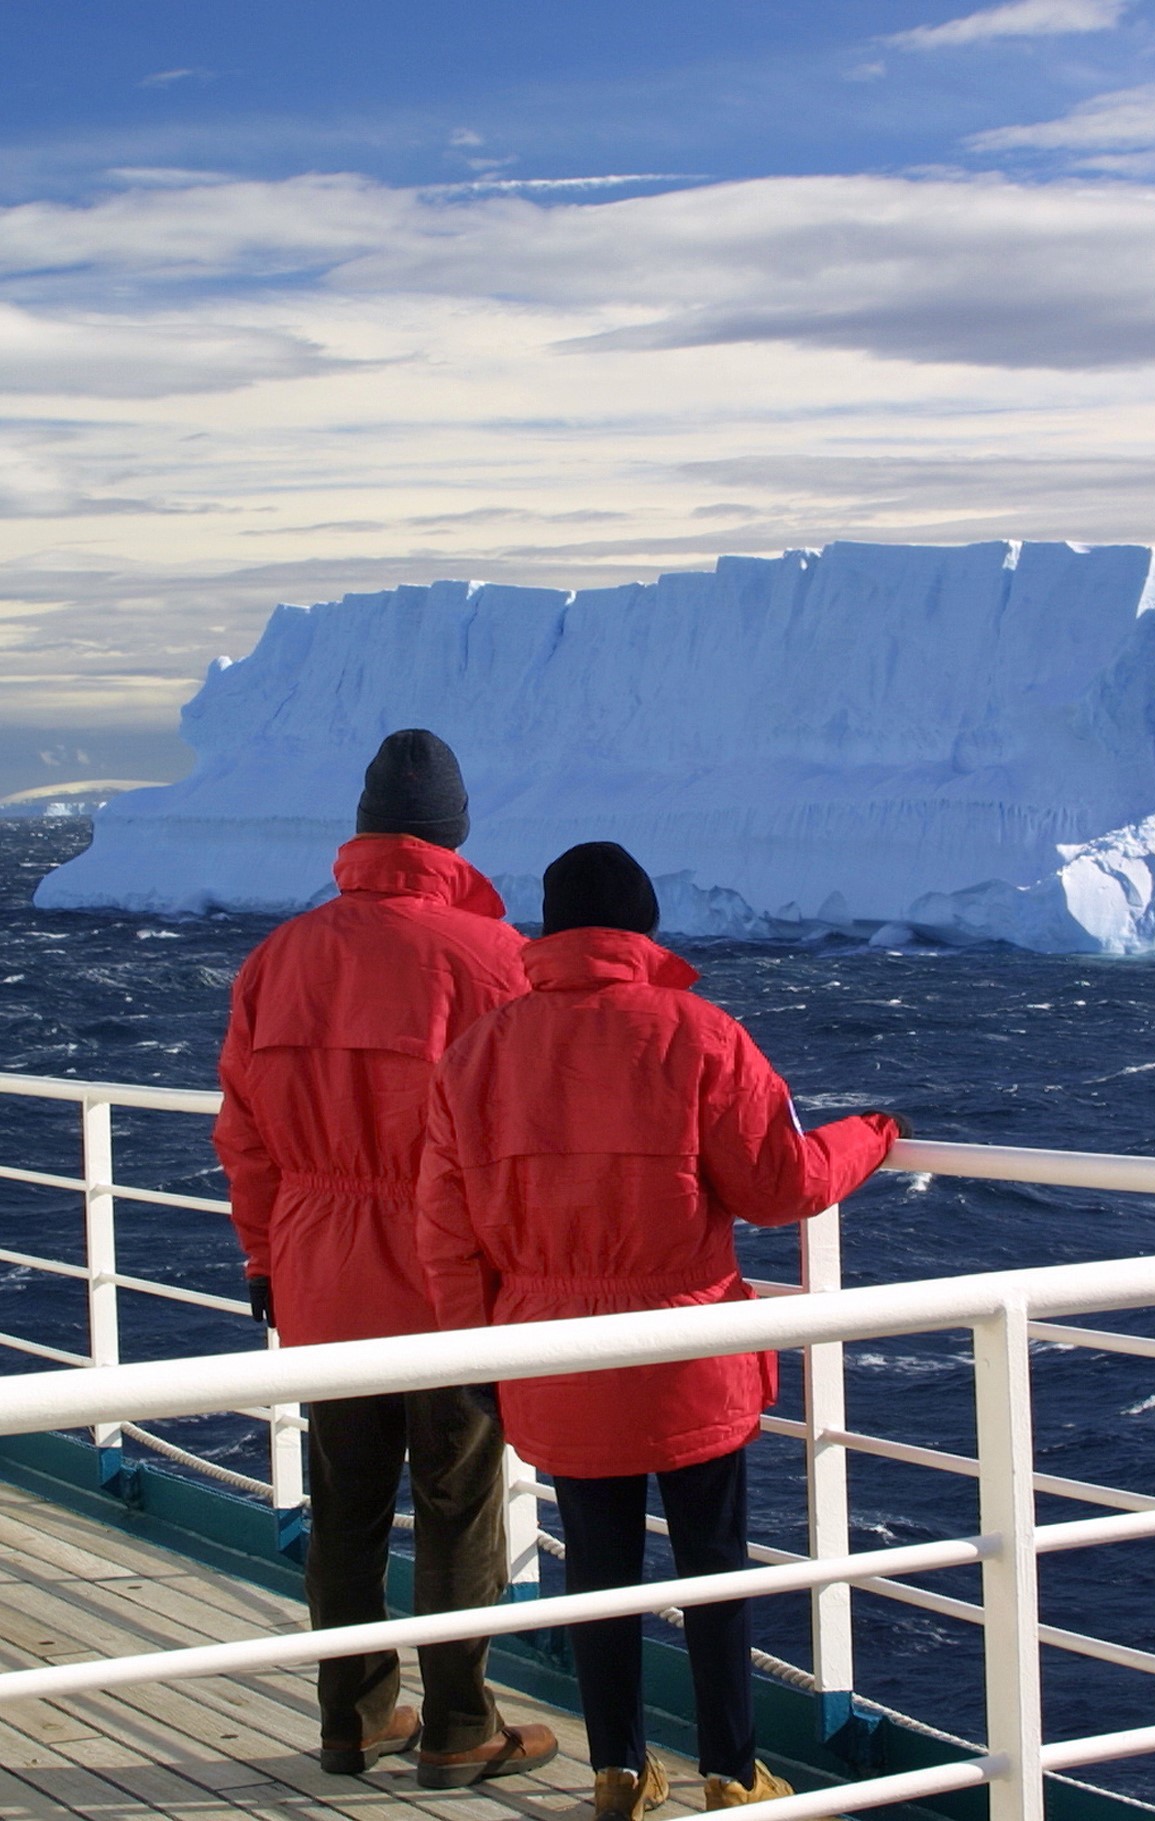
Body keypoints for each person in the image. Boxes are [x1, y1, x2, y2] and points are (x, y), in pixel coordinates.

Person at [417, 841, 904, 1820]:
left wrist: (479, 1356)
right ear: (641, 929)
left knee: (599, 1572)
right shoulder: (697, 1031)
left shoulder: (478, 1052)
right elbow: (780, 1186)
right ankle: (731, 1771)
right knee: (713, 1568)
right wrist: (869, 1136)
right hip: (686, 1354)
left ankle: (619, 1773)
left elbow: (445, 1228)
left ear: (549, 931)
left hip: (553, 1350)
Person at [214, 729, 559, 1790]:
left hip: (318, 1267)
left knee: (345, 1500)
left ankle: (351, 1719)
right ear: (454, 838)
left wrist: (267, 1259)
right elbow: (525, 1136)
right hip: (446, 1273)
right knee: (456, 1498)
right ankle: (459, 1727)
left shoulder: (279, 959)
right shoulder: (495, 963)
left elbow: (245, 1134)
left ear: (362, 831)